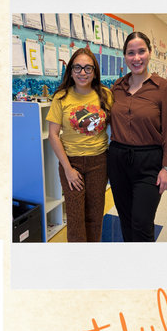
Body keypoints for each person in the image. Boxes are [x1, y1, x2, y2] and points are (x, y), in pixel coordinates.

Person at [108, 31, 167, 242]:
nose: (136, 58)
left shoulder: (165, 89)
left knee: (142, 223)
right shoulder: (117, 87)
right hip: (118, 159)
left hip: (149, 162)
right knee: (125, 219)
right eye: (131, 53)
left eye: (141, 51)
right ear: (125, 56)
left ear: (150, 53)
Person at [47, 48, 114, 242]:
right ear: (70, 71)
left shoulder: (106, 95)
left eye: (87, 68)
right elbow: (53, 135)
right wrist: (68, 169)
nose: (82, 72)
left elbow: (118, 127)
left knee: (95, 215)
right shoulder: (61, 97)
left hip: (99, 163)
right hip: (71, 163)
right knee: (75, 218)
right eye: (77, 67)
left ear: (95, 71)